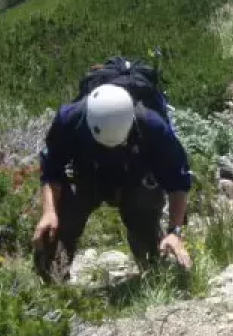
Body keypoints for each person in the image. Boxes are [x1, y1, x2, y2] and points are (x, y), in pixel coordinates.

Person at [33, 82, 192, 282]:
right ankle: (52, 282)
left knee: (144, 210)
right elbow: (52, 171)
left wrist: (174, 231)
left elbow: (178, 180)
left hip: (134, 179)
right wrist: (49, 212)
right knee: (59, 222)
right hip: (86, 177)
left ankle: (154, 269)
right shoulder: (69, 120)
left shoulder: (152, 126)